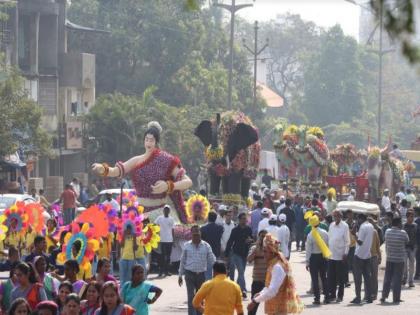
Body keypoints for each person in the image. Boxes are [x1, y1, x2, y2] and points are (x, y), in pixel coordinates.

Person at [91, 121, 193, 224]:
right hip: (140, 212)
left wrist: (168, 186)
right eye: (147, 140)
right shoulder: (137, 160)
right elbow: (116, 171)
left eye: (151, 140)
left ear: (156, 142)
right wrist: (103, 169)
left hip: (161, 212)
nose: (148, 143)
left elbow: (188, 182)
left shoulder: (166, 160)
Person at [248, 234, 303, 315]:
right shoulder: (273, 264)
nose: (263, 254)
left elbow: (272, 290)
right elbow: (269, 287)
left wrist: (255, 301)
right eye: (263, 251)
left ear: (272, 252)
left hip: (278, 309)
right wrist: (261, 293)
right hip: (275, 309)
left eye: (265, 251)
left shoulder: (277, 267)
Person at [178, 225, 215, 315]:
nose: (196, 234)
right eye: (194, 232)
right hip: (189, 274)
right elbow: (182, 261)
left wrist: (218, 272)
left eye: (197, 232)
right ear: (191, 234)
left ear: (200, 233)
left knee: (200, 297)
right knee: (191, 297)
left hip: (201, 275)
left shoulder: (206, 246)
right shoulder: (186, 246)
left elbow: (212, 260)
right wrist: (180, 275)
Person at [381, 217, 409, 304]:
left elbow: (385, 241)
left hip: (389, 258)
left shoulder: (387, 232)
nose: (402, 224)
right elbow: (407, 241)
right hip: (399, 259)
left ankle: (384, 296)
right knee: (397, 279)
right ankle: (396, 298)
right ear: (398, 223)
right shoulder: (403, 233)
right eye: (401, 223)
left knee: (387, 278)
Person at [225, 213, 253, 298]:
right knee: (241, 272)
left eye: (245, 219)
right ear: (239, 219)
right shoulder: (235, 230)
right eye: (243, 219)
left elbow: (252, 239)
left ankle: (235, 288)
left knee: (242, 273)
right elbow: (230, 242)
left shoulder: (248, 229)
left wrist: (250, 240)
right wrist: (226, 254)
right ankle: (243, 290)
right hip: (236, 253)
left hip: (245, 253)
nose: (245, 220)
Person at [305, 215, 329, 305]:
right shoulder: (325, 232)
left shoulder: (310, 235)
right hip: (323, 257)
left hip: (314, 258)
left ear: (311, 224)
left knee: (315, 279)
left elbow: (308, 250)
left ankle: (317, 298)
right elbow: (327, 245)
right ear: (318, 222)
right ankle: (327, 297)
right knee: (324, 278)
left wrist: (307, 262)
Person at [351, 213, 374, 304]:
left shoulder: (362, 227)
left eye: (358, 219)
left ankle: (358, 297)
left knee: (357, 278)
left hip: (359, 255)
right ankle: (369, 297)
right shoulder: (371, 225)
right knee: (367, 277)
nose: (357, 221)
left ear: (361, 219)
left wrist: (354, 234)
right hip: (367, 255)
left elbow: (360, 242)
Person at [327, 210, 350, 302]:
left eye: (337, 216)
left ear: (340, 216)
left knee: (340, 277)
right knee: (331, 277)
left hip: (340, 255)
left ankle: (340, 296)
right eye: (334, 216)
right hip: (331, 255)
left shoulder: (345, 226)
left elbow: (347, 241)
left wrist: (345, 253)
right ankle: (332, 295)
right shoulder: (331, 225)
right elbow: (329, 239)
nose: (335, 218)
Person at [247, 230, 267, 315]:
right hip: (257, 280)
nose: (263, 238)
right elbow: (249, 260)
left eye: (265, 236)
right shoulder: (254, 248)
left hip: (268, 281)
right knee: (253, 305)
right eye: (261, 236)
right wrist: (257, 247)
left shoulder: (271, 248)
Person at [200, 211, 224, 279]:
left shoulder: (203, 228)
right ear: (216, 218)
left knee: (208, 274)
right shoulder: (220, 228)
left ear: (208, 218)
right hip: (216, 252)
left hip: (207, 253)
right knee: (217, 273)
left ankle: (209, 288)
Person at [154, 205, 175, 277]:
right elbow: (154, 225)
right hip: (162, 240)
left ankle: (167, 271)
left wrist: (173, 240)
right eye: (165, 209)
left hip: (169, 240)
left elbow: (172, 230)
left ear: (169, 211)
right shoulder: (159, 218)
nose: (166, 211)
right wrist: (156, 234)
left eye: (167, 210)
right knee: (162, 256)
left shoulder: (171, 219)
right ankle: (160, 271)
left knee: (168, 257)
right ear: (163, 211)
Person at [368, 218, 381, 301]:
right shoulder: (364, 231)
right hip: (366, 257)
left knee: (374, 276)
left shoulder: (375, 232)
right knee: (367, 276)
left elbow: (378, 245)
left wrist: (380, 256)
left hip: (373, 256)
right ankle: (369, 294)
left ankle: (374, 294)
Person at [403, 210, 416, 287]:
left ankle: (410, 281)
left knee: (412, 265)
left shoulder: (415, 226)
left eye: (413, 216)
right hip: (404, 247)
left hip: (412, 248)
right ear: (407, 217)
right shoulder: (403, 225)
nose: (412, 218)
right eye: (411, 216)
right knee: (404, 264)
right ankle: (404, 278)